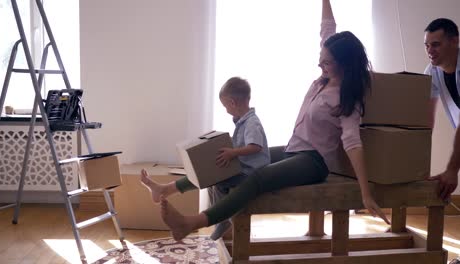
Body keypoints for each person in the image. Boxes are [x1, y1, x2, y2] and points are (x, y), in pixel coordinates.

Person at [156, 0, 390, 241]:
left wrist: (366, 194)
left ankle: (192, 222)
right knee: (234, 162)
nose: (319, 64)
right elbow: (327, 29)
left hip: (314, 162)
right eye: (321, 58)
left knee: (258, 178)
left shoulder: (347, 99)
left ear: (344, 63)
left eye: (326, 61)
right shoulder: (324, 78)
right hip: (293, 150)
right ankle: (171, 191)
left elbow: (353, 143)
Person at [141, 76, 270, 240]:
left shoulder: (252, 123)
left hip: (251, 173)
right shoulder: (243, 121)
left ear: (232, 102)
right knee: (210, 175)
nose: (226, 110)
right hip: (243, 168)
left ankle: (222, 220)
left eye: (225, 106)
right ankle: (166, 190)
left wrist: (233, 153)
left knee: (214, 178)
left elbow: (255, 147)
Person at [424, 18, 460, 264]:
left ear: (455, 42)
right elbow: (426, 122)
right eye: (426, 45)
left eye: (435, 44)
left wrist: (451, 169)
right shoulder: (433, 72)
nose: (430, 51)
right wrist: (415, 169)